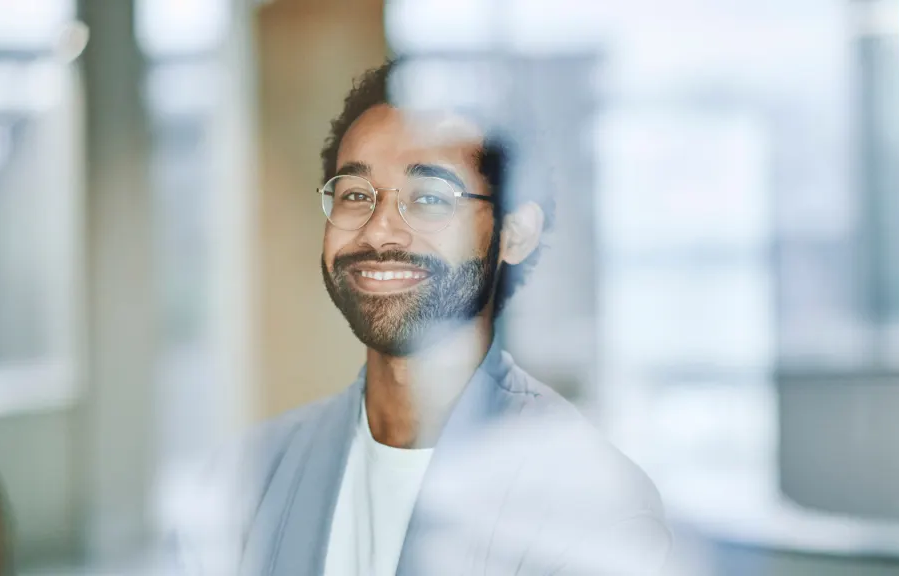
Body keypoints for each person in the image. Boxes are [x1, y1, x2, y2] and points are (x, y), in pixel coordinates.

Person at [175, 59, 670, 576]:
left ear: (515, 233)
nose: (379, 231)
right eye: (355, 196)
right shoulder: (247, 480)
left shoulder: (591, 504)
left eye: (430, 198)